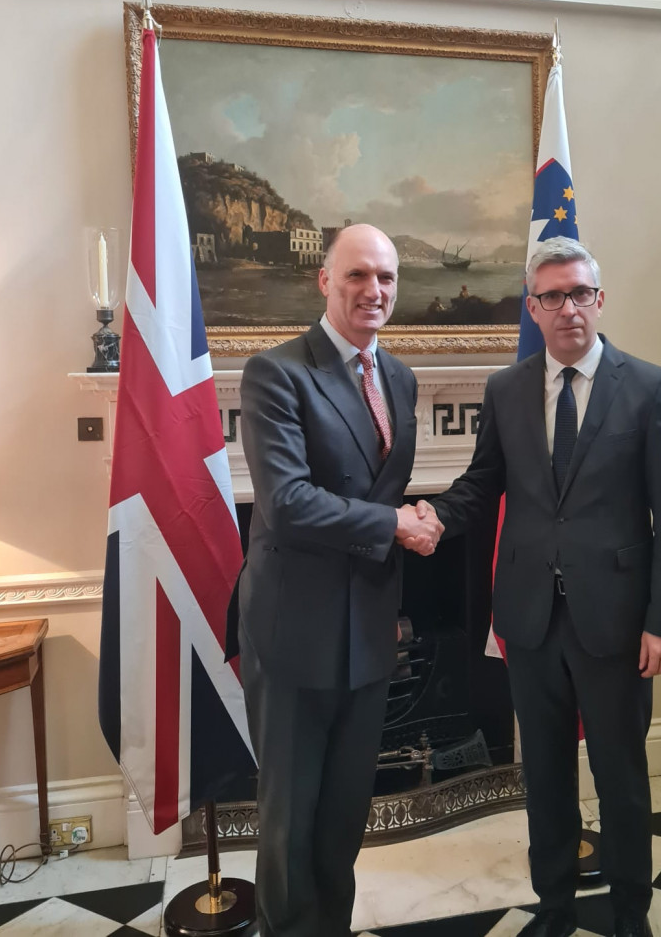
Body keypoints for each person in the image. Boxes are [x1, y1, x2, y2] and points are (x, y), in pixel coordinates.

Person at [415, 237, 661, 937]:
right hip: (529, 621)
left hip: (619, 624)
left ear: (599, 300)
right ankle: (556, 909)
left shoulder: (651, 387)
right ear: (532, 308)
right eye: (552, 296)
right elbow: (481, 487)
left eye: (580, 293)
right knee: (543, 778)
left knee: (621, 779)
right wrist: (431, 518)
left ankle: (631, 913)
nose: (567, 308)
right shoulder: (507, 389)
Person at [231, 224, 442, 937]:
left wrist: (410, 513)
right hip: (295, 630)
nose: (373, 291)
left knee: (346, 812)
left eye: (385, 277)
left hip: (369, 629)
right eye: (357, 275)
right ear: (324, 281)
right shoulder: (277, 371)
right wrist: (394, 526)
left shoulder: (402, 377)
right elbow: (286, 504)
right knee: (289, 821)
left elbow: (382, 490)